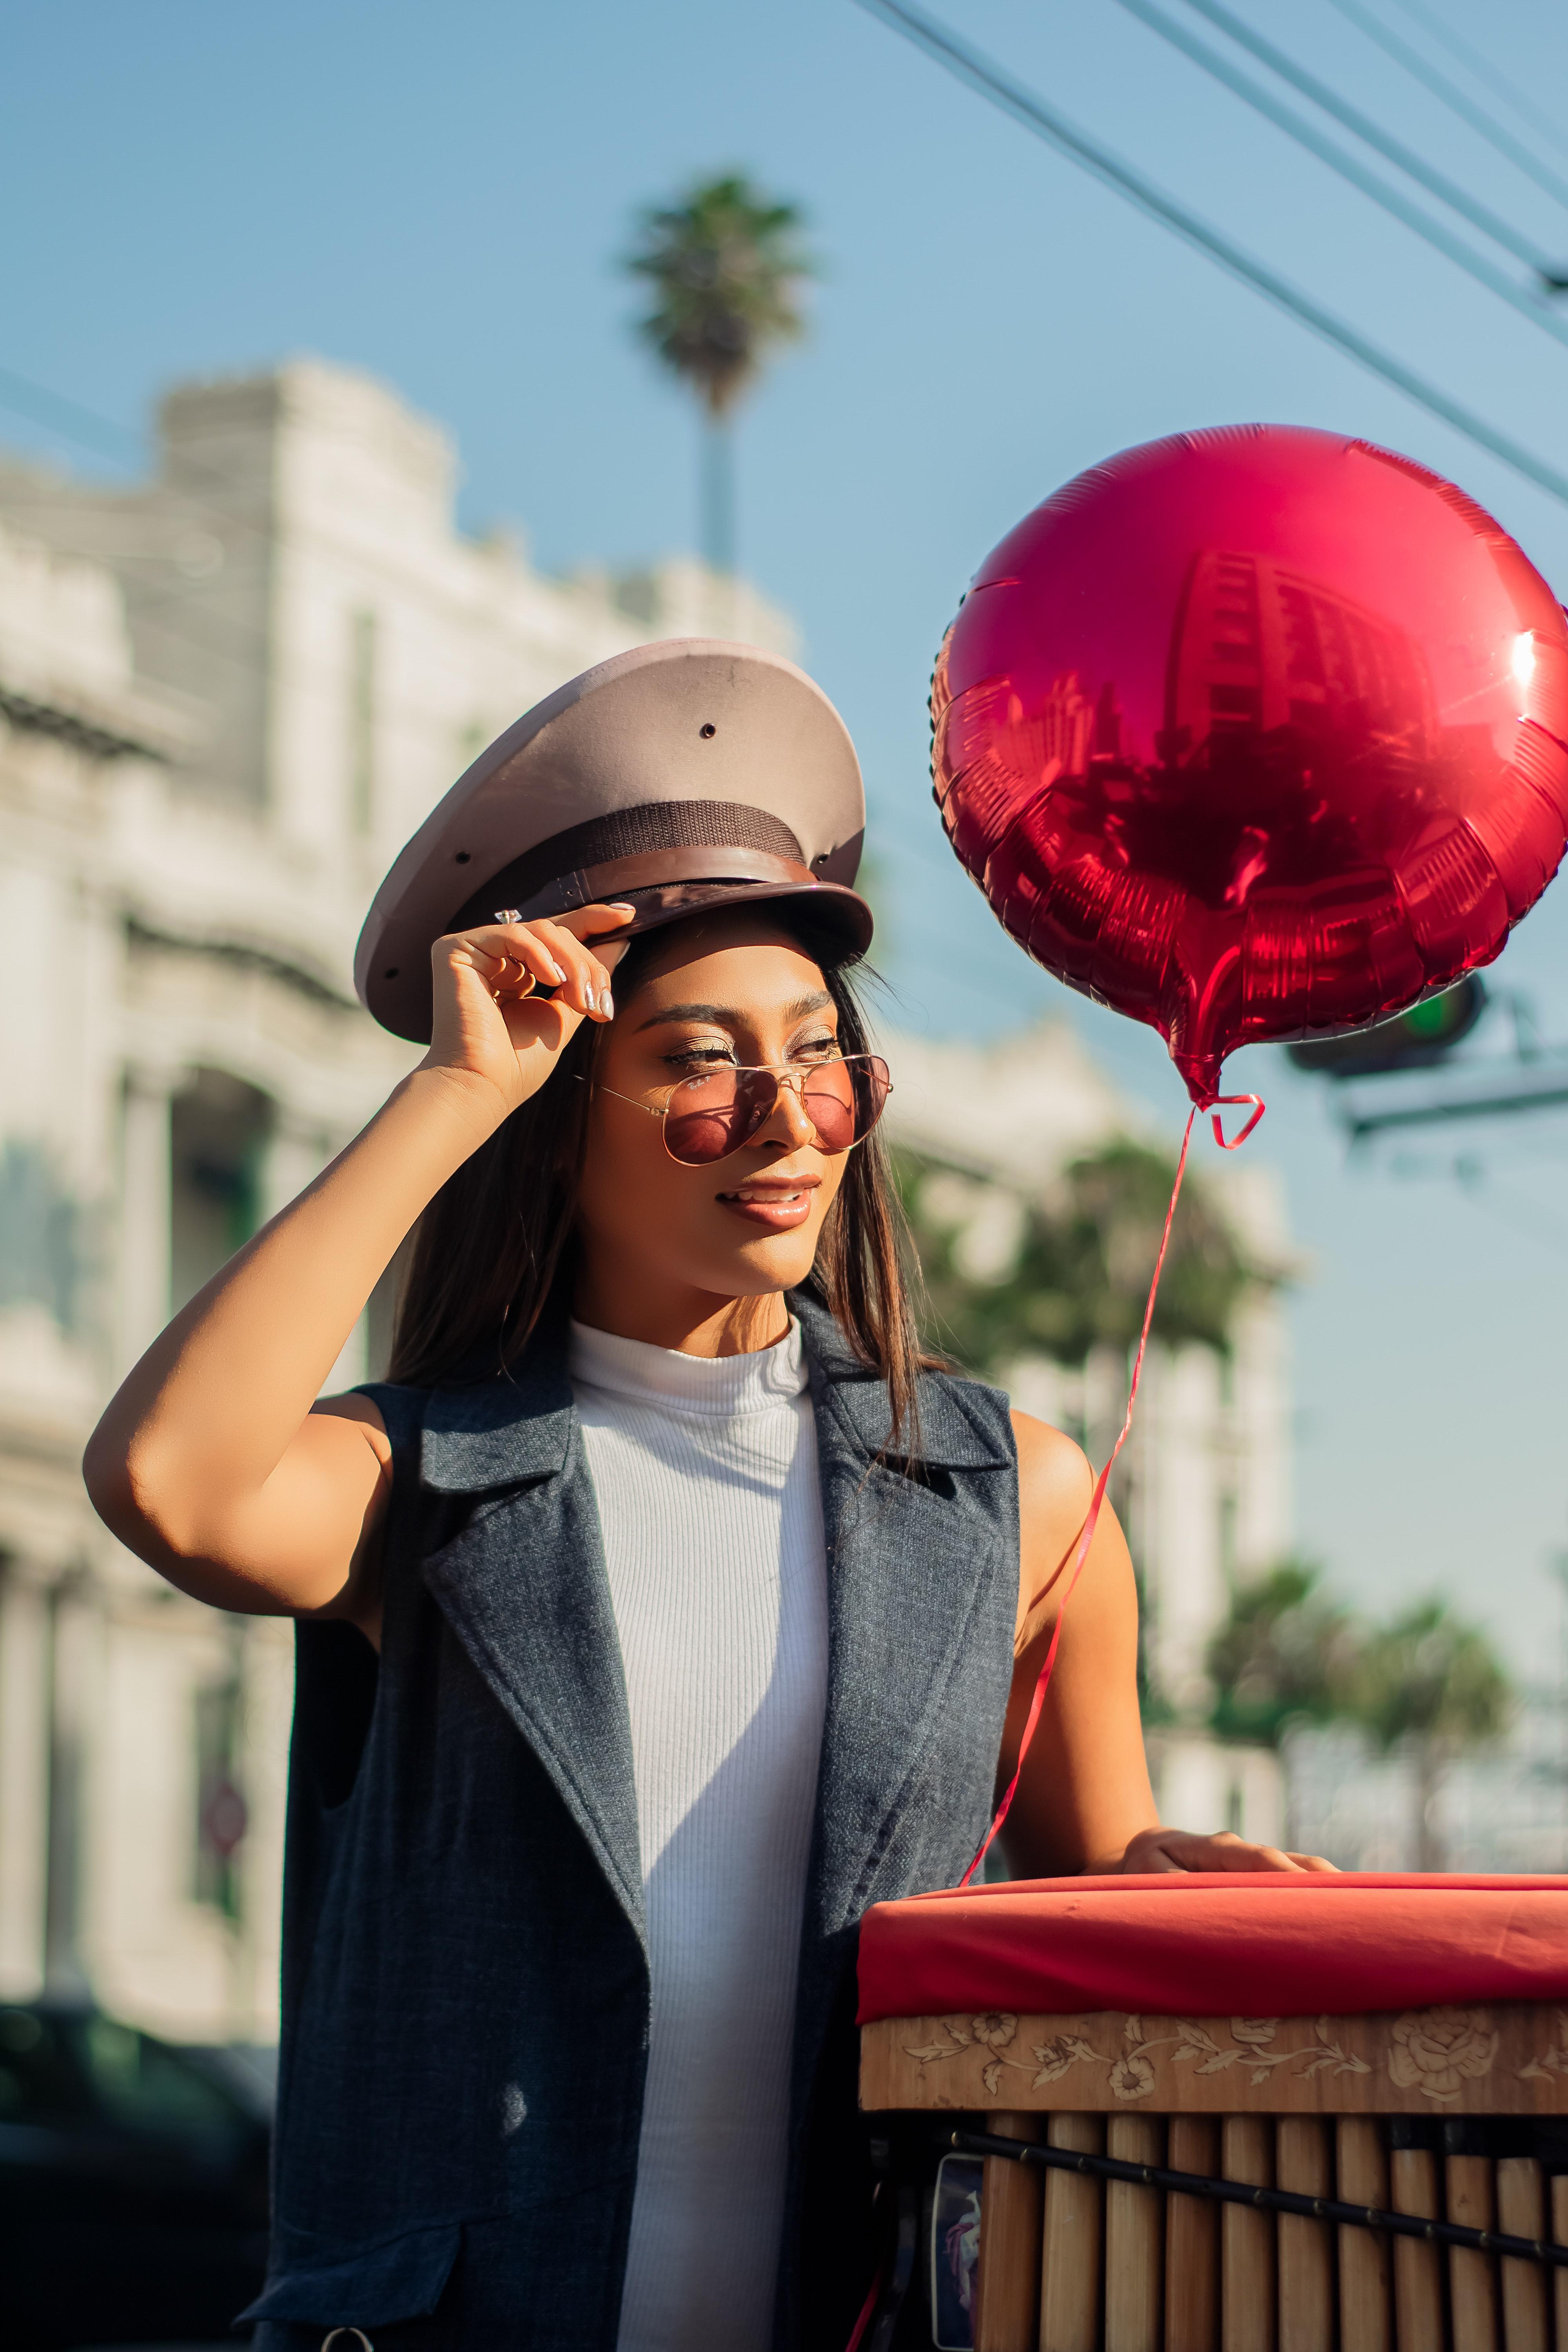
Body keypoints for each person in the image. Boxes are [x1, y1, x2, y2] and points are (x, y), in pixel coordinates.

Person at [85, 641, 1327, 2352]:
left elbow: (1079, 1923)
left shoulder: (1020, 1506)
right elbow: (170, 1480)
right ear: (560, 1104)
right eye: (698, 1068)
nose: (783, 1122)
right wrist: (450, 1093)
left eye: (824, 1064)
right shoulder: (426, 1476)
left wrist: (1196, 1898)